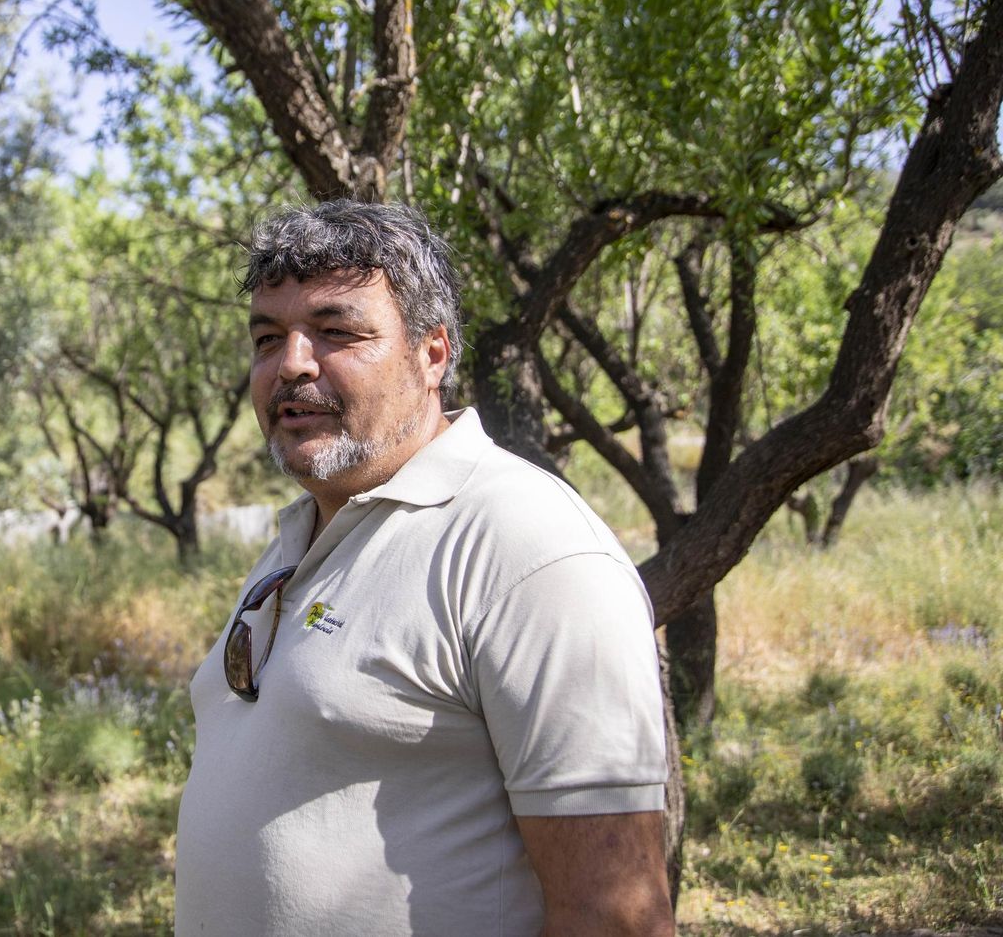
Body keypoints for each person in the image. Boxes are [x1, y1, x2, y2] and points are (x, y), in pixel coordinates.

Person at [174, 200, 674, 936]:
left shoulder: (525, 546)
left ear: (431, 354)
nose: (292, 364)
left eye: (338, 331)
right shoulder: (307, 527)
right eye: (267, 337)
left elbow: (615, 913)